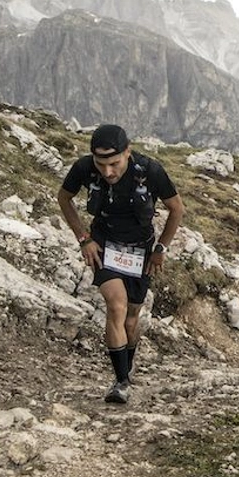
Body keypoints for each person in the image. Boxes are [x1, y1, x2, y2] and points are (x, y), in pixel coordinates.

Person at [58, 124, 184, 404]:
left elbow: (177, 208)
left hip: (140, 251)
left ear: (128, 152)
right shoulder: (83, 168)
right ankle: (121, 382)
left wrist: (160, 249)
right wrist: (84, 238)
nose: (107, 172)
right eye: (101, 165)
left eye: (114, 163)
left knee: (131, 319)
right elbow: (64, 198)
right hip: (105, 245)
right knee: (116, 305)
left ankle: (126, 367)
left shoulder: (150, 171)